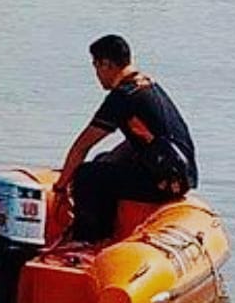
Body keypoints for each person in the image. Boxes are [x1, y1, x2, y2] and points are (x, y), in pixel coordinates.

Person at [54, 35, 198, 243]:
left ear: (107, 64)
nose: (96, 75)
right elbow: (137, 141)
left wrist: (61, 186)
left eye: (96, 66)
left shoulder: (122, 97)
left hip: (164, 181)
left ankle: (87, 239)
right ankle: (108, 231)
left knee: (86, 174)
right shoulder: (147, 86)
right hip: (182, 175)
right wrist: (106, 161)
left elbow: (82, 146)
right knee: (104, 160)